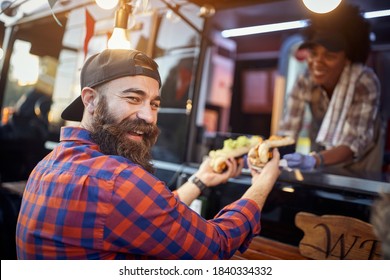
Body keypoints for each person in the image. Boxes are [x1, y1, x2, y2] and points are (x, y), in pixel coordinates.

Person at [15, 49, 281, 260]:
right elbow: (215, 246)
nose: (148, 116)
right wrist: (261, 184)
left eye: (154, 103)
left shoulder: (48, 165)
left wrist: (199, 181)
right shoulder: (118, 180)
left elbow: (145, 214)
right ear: (91, 100)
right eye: (133, 98)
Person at [278, 3, 382, 172]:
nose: (317, 62)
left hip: (360, 167)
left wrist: (313, 160)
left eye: (329, 55)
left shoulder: (364, 81)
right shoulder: (305, 80)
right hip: (320, 161)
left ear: (347, 59)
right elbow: (288, 131)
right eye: (313, 53)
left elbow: (353, 143)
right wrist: (266, 156)